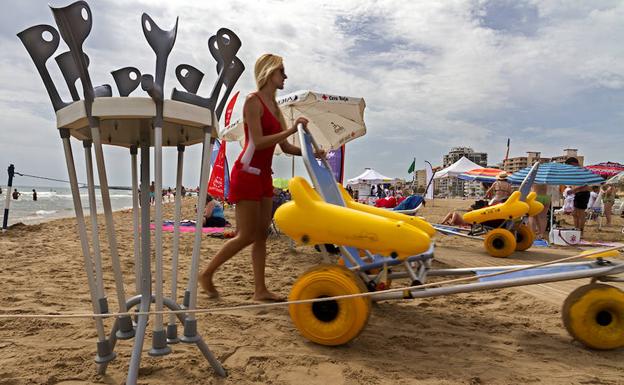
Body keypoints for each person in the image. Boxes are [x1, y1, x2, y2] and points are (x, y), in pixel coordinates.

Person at [199, 53, 322, 302]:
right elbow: (257, 141)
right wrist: (289, 128)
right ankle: (207, 274)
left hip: (265, 174)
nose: (285, 76)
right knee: (246, 235)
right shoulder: (252, 102)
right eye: (281, 71)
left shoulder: (276, 108)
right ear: (269, 72)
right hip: (247, 172)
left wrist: (312, 152)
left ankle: (260, 290)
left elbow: (285, 148)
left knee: (262, 235)